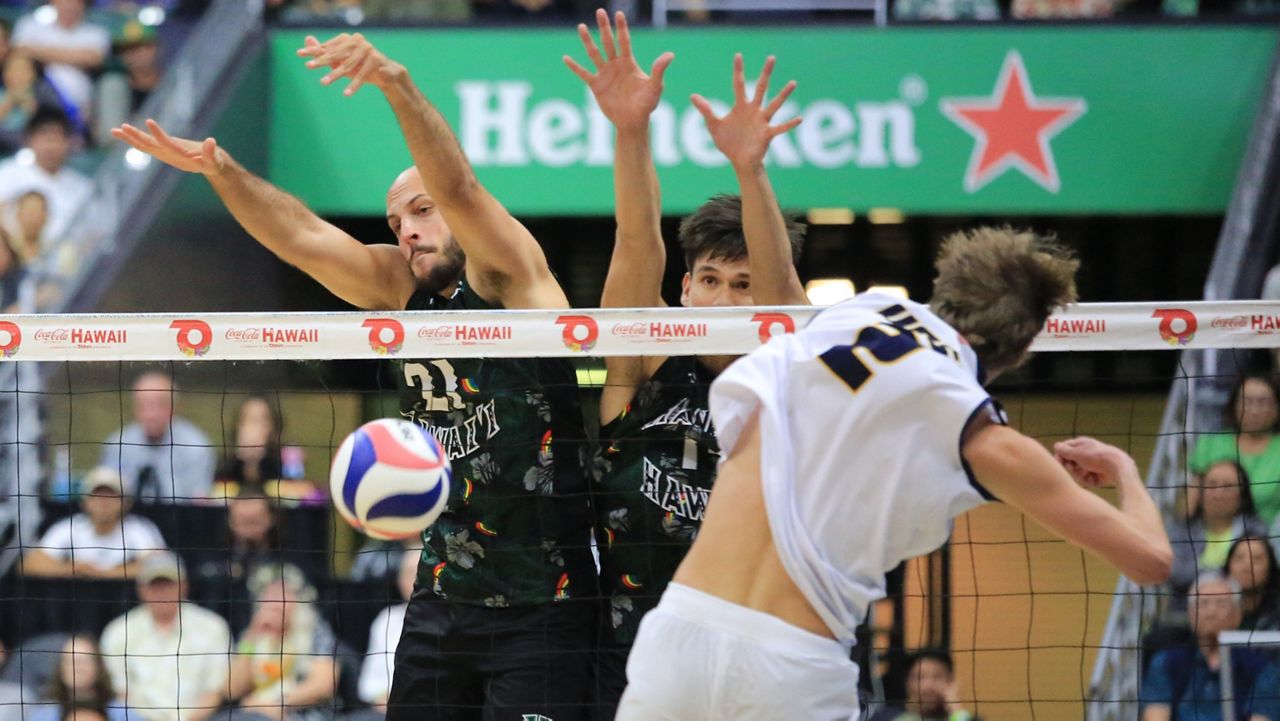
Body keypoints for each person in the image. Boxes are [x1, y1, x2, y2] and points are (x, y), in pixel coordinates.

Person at [112, 30, 594, 720]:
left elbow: (457, 185)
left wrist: (395, 84)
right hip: (441, 595)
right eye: (396, 221)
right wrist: (223, 173)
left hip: (546, 598)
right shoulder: (403, 290)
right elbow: (303, 236)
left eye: (421, 212)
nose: (407, 231)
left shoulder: (511, 273)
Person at [614, 227, 1173, 720]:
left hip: (680, 634)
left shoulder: (849, 313)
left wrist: (751, 166)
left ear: (945, 285)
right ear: (1023, 348)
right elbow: (1151, 562)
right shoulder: (983, 435)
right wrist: (1124, 470)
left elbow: (780, 280)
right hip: (792, 669)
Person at [565, 11, 806, 717]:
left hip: (755, 643)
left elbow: (785, 290)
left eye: (742, 286)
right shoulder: (640, 369)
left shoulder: (785, 378)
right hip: (634, 654)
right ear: (684, 290)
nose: (725, 299)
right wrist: (630, 130)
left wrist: (749, 168)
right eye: (710, 280)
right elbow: (637, 242)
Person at [193, 563, 338, 721]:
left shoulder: (315, 630)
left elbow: (323, 685)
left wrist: (275, 703)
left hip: (300, 712)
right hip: (255, 713)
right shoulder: (253, 633)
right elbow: (232, 690)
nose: (276, 604)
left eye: (283, 596)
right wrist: (252, 636)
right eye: (270, 596)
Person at [99, 551, 233, 721]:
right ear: (141, 589)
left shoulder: (212, 627)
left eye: (168, 584)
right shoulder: (118, 631)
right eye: (154, 585)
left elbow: (216, 690)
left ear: (183, 586)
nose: (161, 592)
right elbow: (120, 693)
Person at [1141, 572, 1280, 721]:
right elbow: (1155, 715)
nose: (1211, 612)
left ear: (1237, 615)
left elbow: (1262, 717)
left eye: (1220, 603)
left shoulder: (1261, 668)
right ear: (1191, 615)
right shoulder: (1166, 661)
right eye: (1203, 603)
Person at [22, 466, 167, 578]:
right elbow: (31, 564)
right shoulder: (69, 527)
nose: (104, 503)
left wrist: (105, 574)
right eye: (97, 496)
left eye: (111, 496)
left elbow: (161, 565)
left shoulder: (139, 529)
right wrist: (72, 570)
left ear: (125, 503)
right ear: (85, 502)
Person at [98, 370, 217, 504]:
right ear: (134, 408)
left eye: (160, 405)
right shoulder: (117, 444)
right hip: (128, 521)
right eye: (144, 406)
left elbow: (199, 500)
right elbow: (107, 495)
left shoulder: (196, 446)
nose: (152, 415)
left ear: (175, 407)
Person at [1168, 461, 1268, 613]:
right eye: (1212, 485)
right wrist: (1227, 571)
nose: (1218, 493)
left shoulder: (1256, 531)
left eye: (1227, 486)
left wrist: (1205, 573)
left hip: (1243, 612)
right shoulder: (1181, 531)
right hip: (1185, 613)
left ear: (1242, 495)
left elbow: (1257, 576)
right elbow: (1177, 575)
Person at [1189, 374, 1280, 527]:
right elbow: (1192, 502)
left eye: (1263, 402)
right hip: (1210, 534)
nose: (1254, 410)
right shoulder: (1210, 443)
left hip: (1267, 540)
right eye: (1247, 401)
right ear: (1234, 405)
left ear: (1277, 408)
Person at [0, 107, 91, 245]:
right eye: (45, 138)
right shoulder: (8, 173)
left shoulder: (83, 187)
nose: (50, 146)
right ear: (29, 139)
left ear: (69, 142)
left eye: (56, 139)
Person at [11, 0, 109, 122]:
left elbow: (93, 58)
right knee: (19, 64)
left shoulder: (96, 32)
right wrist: (75, 56)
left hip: (80, 102)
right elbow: (20, 50)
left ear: (84, 5)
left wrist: (39, 51)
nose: (69, 5)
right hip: (38, 93)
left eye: (76, 2)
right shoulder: (30, 24)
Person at [357, 549, 419, 715]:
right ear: (399, 581)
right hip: (384, 711)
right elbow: (368, 684)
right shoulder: (387, 619)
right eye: (409, 573)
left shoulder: (452, 620)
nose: (415, 581)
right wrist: (385, 699)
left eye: (421, 573)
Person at [27, 636, 128, 721]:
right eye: (70, 661)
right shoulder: (45, 715)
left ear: (98, 666)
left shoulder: (122, 713)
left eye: (83, 660)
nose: (77, 667)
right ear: (60, 668)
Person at [872, 649, 981, 721]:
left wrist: (955, 707)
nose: (928, 686)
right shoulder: (892, 718)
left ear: (951, 682)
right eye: (919, 678)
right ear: (907, 683)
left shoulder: (965, 717)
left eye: (937, 677)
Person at [214, 395, 284, 491]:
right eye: (247, 419)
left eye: (261, 420)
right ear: (237, 426)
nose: (253, 427)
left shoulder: (284, 465)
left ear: (274, 428)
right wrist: (247, 462)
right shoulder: (222, 466)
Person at [1225, 534, 1280, 631]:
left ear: (1270, 567)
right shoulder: (1214, 607)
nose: (1246, 567)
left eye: (1256, 559)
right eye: (1239, 558)